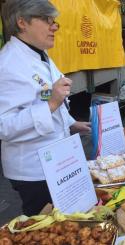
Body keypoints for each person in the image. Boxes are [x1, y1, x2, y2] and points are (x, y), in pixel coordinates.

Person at [0, 0, 91, 216]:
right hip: (33, 170)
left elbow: (44, 98)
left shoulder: (40, 55)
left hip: (57, 161)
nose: (54, 27)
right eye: (46, 20)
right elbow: (4, 126)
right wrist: (51, 103)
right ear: (22, 22)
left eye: (54, 22)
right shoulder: (7, 64)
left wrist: (72, 123)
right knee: (44, 230)